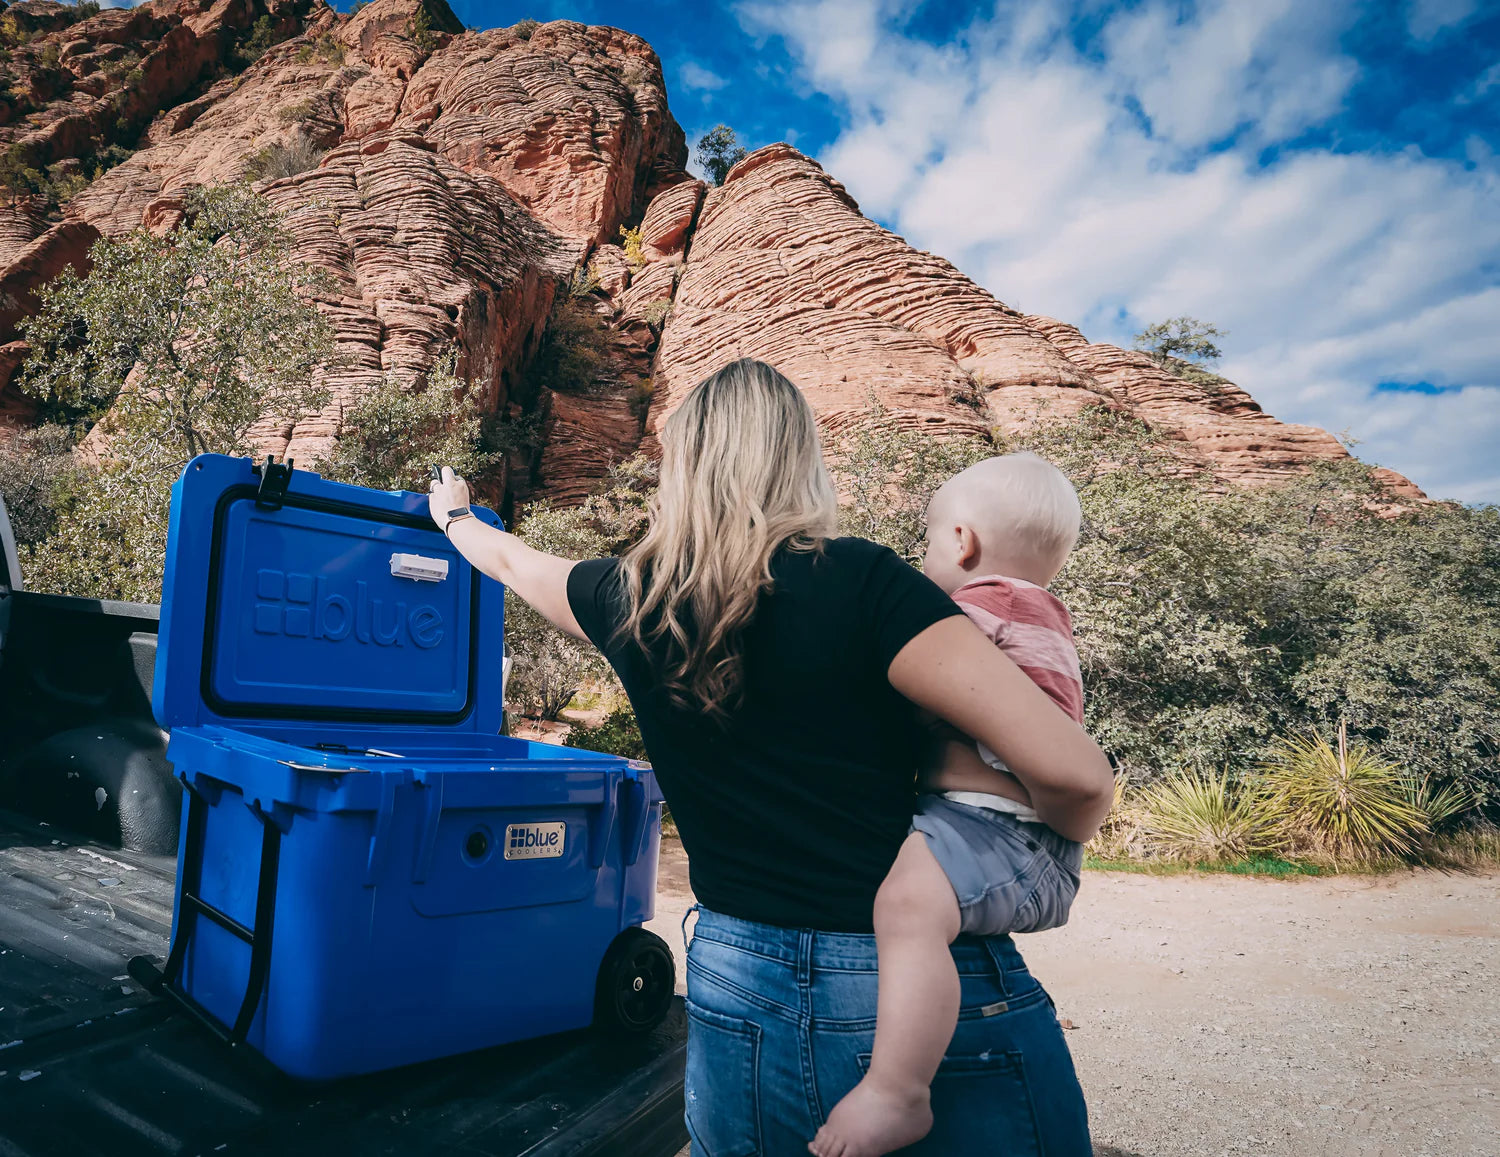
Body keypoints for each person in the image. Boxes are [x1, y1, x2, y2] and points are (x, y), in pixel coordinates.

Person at [428, 358, 1114, 1156]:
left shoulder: (630, 597)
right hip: (902, 993)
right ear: (798, 458)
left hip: (735, 978)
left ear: (684, 465)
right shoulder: (868, 585)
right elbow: (1076, 774)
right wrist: (1051, 844)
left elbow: (512, 563)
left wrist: (455, 519)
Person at [813, 453, 1088, 1157]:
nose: (924, 559)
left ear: (961, 541)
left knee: (906, 910)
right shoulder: (1035, 608)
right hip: (997, 827)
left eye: (929, 542)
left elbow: (895, 673)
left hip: (995, 827)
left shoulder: (980, 606)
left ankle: (897, 1090)